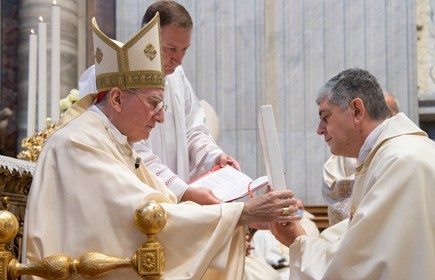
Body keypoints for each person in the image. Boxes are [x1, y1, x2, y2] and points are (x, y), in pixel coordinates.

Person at [23, 14, 299, 280]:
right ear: (117, 99)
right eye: (154, 103)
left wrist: (237, 224)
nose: (161, 116)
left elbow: (162, 201)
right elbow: (146, 216)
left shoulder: (117, 142)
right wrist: (241, 215)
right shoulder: (80, 143)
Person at [271, 68, 435, 279]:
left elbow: (363, 265)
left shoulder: (401, 162)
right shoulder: (396, 155)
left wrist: (299, 243)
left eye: (325, 116)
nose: (319, 129)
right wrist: (304, 239)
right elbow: (360, 229)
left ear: (357, 110)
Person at [79, 0, 237, 205]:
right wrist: (181, 191)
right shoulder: (109, 73)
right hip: (130, 198)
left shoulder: (178, 78)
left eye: (184, 50)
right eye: (170, 49)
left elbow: (194, 131)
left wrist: (214, 156)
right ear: (148, 38)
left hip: (175, 199)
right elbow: (126, 147)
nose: (178, 59)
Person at [322, 92, 399, 225]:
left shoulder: (402, 151)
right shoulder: (340, 158)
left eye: (388, 115)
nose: (384, 120)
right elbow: (341, 206)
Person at [251, 199, 318, 280]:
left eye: (300, 208)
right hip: (271, 274)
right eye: (294, 208)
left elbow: (312, 253)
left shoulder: (308, 226)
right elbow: (257, 261)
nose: (297, 211)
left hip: (296, 271)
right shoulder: (261, 234)